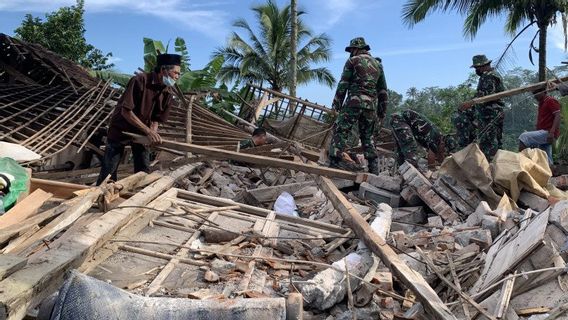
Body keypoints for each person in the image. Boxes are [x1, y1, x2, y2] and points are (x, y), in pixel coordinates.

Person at [96, 53, 182, 185]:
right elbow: (126, 111)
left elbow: (156, 118)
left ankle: (139, 197)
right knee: (109, 171)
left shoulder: (167, 91)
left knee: (143, 170)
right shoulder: (140, 81)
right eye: (175, 73)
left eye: (178, 74)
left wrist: (153, 133)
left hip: (142, 132)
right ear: (164, 70)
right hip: (121, 129)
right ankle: (101, 197)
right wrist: (149, 132)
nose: (177, 76)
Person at [328, 37, 387, 174]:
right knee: (367, 136)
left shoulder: (352, 61)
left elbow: (343, 84)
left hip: (354, 102)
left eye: (351, 50)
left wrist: (336, 105)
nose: (350, 52)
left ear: (356, 49)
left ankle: (335, 162)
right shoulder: (378, 64)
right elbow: (383, 90)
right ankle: (373, 168)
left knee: (341, 130)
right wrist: (382, 111)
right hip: (370, 106)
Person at [453, 54, 505, 160]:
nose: (476, 70)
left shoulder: (488, 76)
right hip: (494, 112)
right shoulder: (493, 75)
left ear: (483, 66)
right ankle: (498, 165)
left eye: (477, 68)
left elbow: (485, 97)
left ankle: (490, 167)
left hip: (490, 114)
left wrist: (469, 104)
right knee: (495, 141)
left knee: (488, 143)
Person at [390, 110, 457, 168]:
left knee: (401, 152)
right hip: (400, 120)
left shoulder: (439, 139)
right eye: (444, 150)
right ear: (443, 143)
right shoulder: (436, 137)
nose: (443, 152)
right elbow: (431, 157)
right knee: (410, 149)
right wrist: (432, 170)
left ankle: (401, 172)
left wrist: (443, 165)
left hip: (397, 120)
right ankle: (411, 171)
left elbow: (440, 155)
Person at [518, 89, 561, 164]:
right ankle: (551, 171)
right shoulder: (542, 103)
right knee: (545, 157)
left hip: (548, 131)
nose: (535, 96)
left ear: (544, 92)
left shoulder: (550, 100)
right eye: (534, 94)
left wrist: (552, 132)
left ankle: (523, 162)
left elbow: (557, 115)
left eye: (537, 93)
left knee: (524, 137)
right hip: (545, 131)